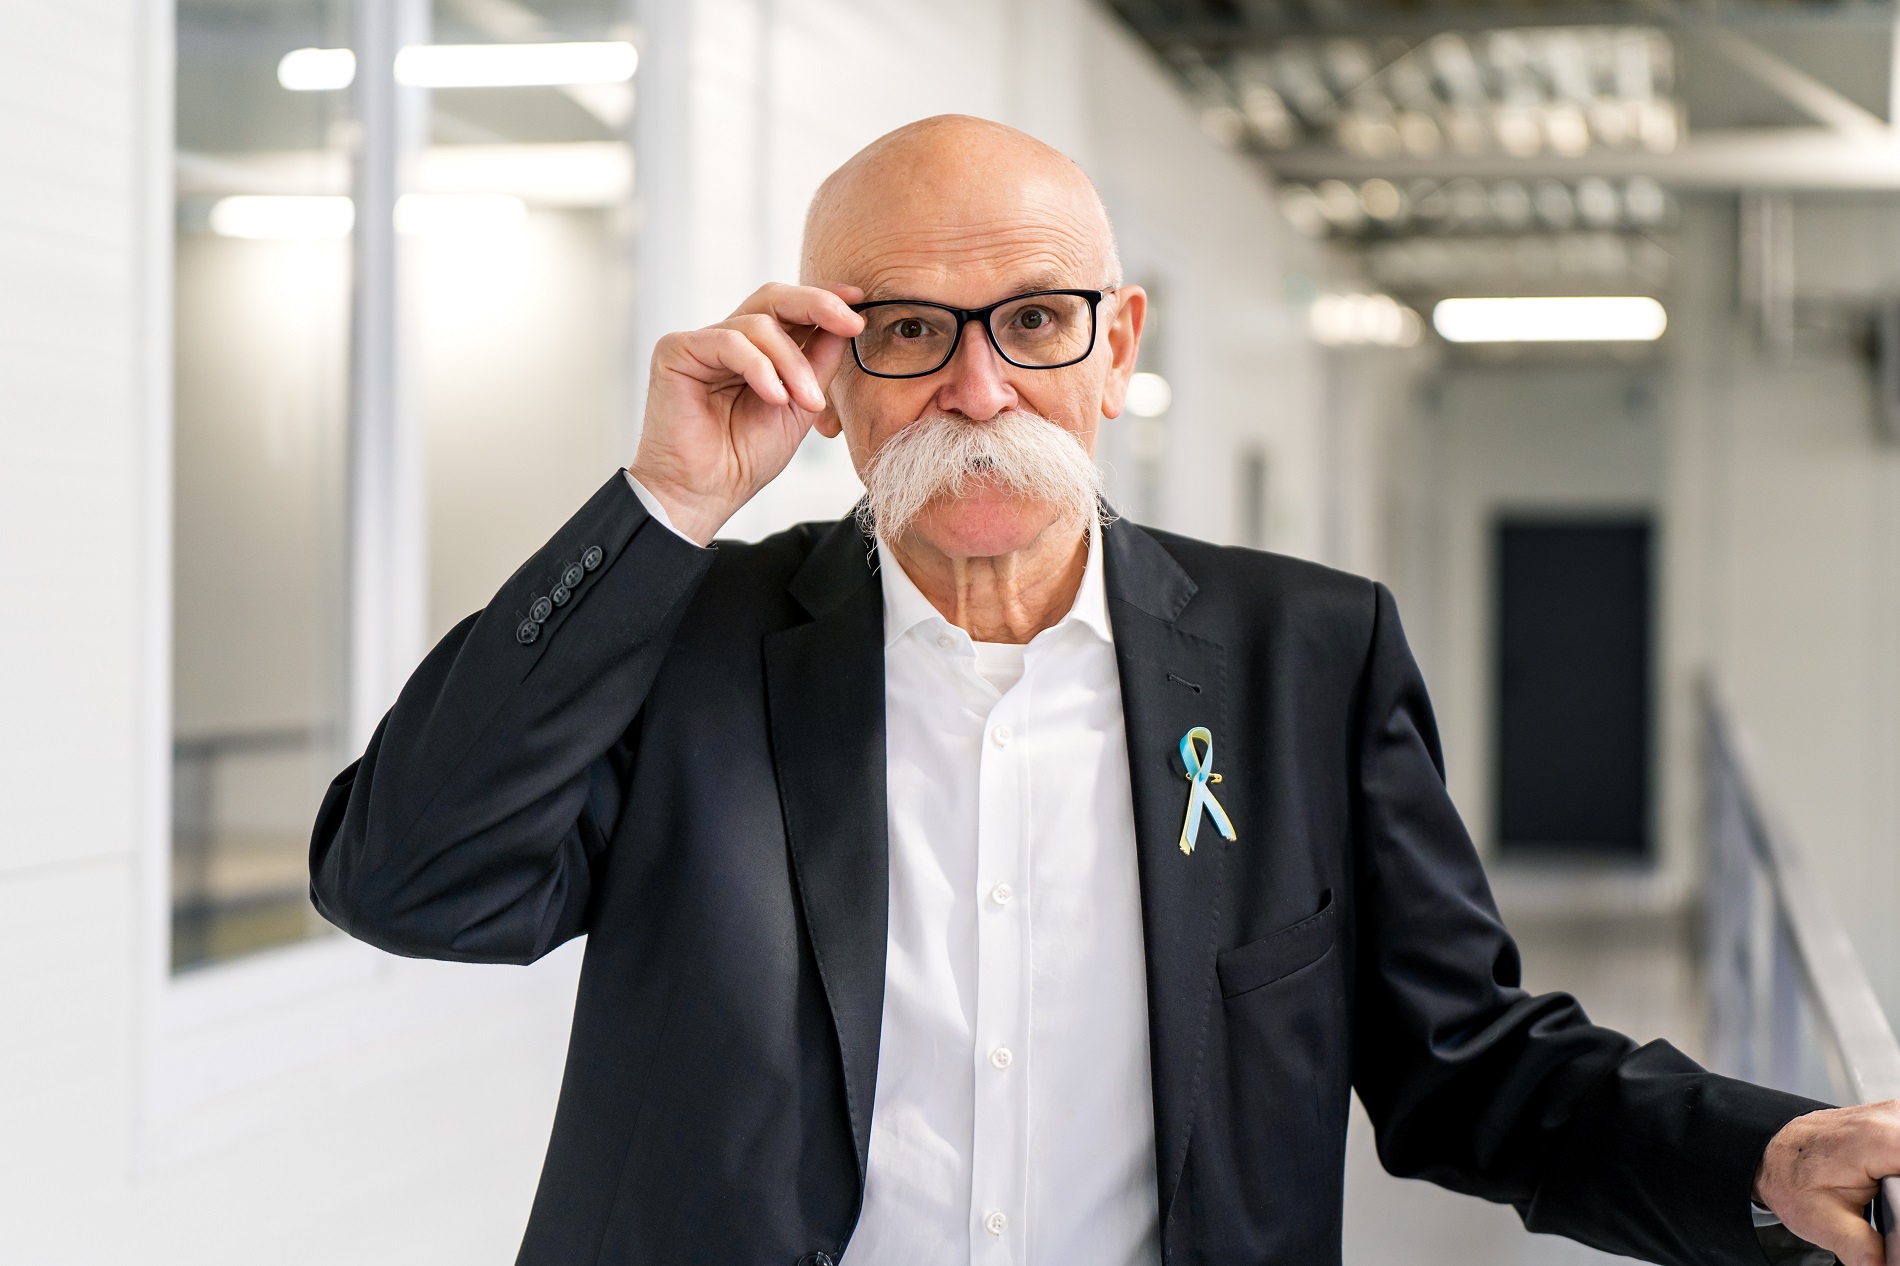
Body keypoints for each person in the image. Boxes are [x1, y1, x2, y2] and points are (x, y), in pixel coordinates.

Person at [310, 115, 1900, 1266]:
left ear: (1117, 342)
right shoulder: (690, 641)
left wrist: (1763, 1156)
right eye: (908, 329)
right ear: (826, 372)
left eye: (1034, 321)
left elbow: (1471, 1063)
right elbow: (405, 878)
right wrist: (664, 503)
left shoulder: (1303, 658)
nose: (979, 387)